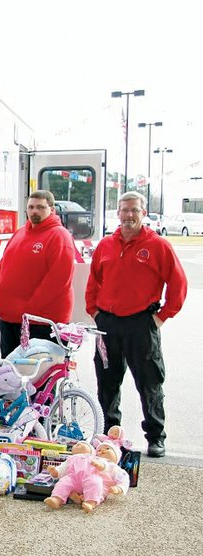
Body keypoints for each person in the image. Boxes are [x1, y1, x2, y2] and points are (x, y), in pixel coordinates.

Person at [86, 191, 187, 458]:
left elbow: (178, 285)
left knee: (149, 382)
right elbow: (93, 282)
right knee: (107, 382)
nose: (129, 215)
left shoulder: (158, 245)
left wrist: (161, 317)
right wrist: (94, 312)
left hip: (141, 325)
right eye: (124, 210)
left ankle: (156, 437)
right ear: (117, 213)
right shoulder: (106, 245)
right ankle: (109, 435)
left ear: (144, 213)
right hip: (107, 324)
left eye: (134, 210)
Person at [0, 190, 76, 358]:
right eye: (31, 207)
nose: (34, 211)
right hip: (11, 318)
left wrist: (29, 310)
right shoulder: (20, 232)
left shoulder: (59, 236)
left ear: (52, 209)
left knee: (39, 374)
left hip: (40, 322)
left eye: (40, 207)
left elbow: (58, 280)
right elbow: (2, 266)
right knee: (9, 372)